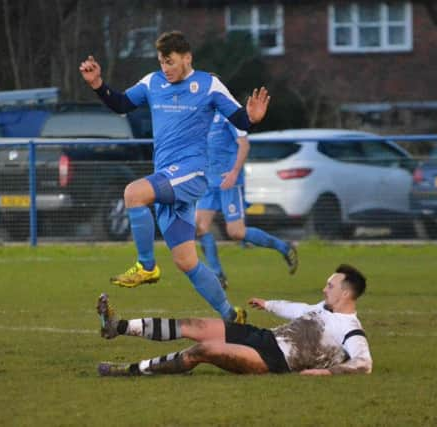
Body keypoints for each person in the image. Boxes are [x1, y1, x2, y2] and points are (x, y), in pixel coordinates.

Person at [80, 31, 270, 323]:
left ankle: (146, 266)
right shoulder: (152, 82)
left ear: (187, 58)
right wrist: (97, 85)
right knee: (186, 262)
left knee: (133, 193)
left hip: (192, 172)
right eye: (161, 62)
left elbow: (240, 120)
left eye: (169, 61)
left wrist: (253, 119)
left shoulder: (209, 84)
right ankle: (231, 315)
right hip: (167, 177)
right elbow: (120, 104)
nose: (165, 68)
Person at [96, 264, 372, 376]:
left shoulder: (349, 329)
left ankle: (129, 370)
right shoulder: (324, 307)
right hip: (264, 337)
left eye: (330, 286)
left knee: (203, 351)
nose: (325, 289)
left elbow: (364, 363)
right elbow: (298, 309)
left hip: (273, 361)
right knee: (194, 325)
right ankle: (116, 326)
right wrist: (269, 304)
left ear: (346, 292)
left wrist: (328, 372)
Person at [196, 111, 298, 289]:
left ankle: (284, 247)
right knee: (199, 228)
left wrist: (234, 172)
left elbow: (244, 145)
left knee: (236, 232)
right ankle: (218, 275)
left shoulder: (229, 115)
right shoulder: (202, 116)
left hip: (229, 182)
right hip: (209, 182)